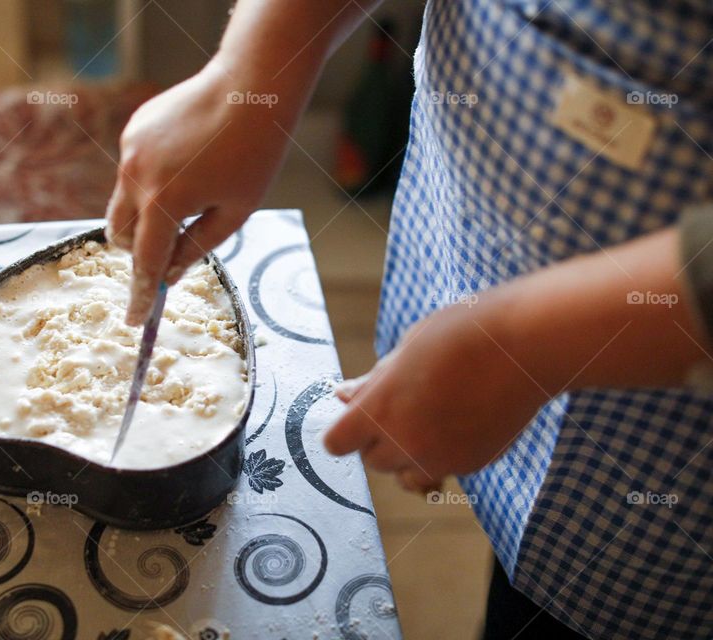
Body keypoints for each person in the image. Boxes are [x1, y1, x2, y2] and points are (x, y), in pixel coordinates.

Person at [105, 1, 713, 638]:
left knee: (574, 590)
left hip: (664, 423)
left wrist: (526, 346)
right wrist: (253, 70)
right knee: (512, 553)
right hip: (480, 249)